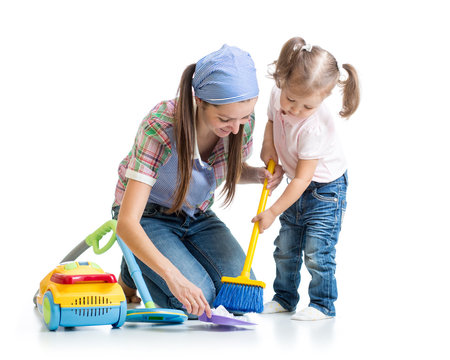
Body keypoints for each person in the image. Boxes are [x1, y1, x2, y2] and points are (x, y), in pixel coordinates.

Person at [112, 45, 283, 319]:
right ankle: (133, 266)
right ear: (200, 100)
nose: (237, 128)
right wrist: (172, 277)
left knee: (235, 298)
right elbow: (126, 222)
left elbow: (218, 170)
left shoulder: (241, 124)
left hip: (197, 215)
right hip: (147, 217)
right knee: (193, 304)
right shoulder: (162, 126)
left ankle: (146, 261)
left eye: (243, 117)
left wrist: (257, 175)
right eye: (225, 119)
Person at [252, 37, 360, 320]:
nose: (295, 110)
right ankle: (284, 298)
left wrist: (273, 211)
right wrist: (269, 149)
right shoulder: (277, 96)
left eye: (307, 106)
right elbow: (272, 122)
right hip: (296, 186)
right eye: (291, 99)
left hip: (324, 191)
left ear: (323, 99)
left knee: (316, 250)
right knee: (286, 247)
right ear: (282, 80)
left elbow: (301, 179)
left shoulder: (315, 128)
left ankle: (322, 304)